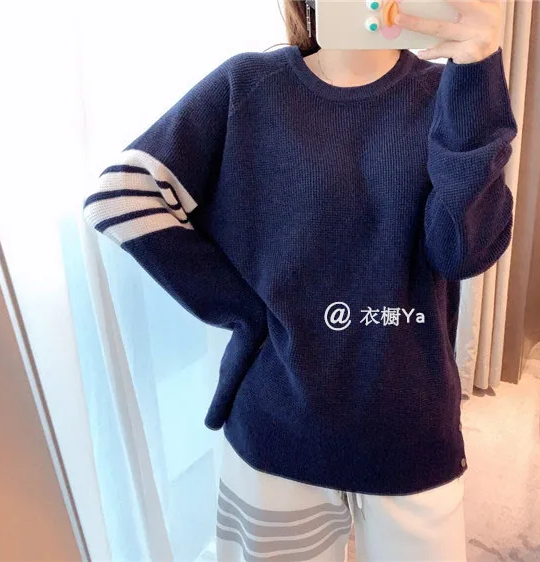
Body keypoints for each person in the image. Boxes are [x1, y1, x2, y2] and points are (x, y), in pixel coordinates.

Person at [82, 0, 516, 559]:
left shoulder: (447, 93)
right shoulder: (247, 86)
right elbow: (122, 194)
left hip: (408, 424)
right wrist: (242, 309)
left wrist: (478, 70)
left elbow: (463, 251)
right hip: (278, 421)